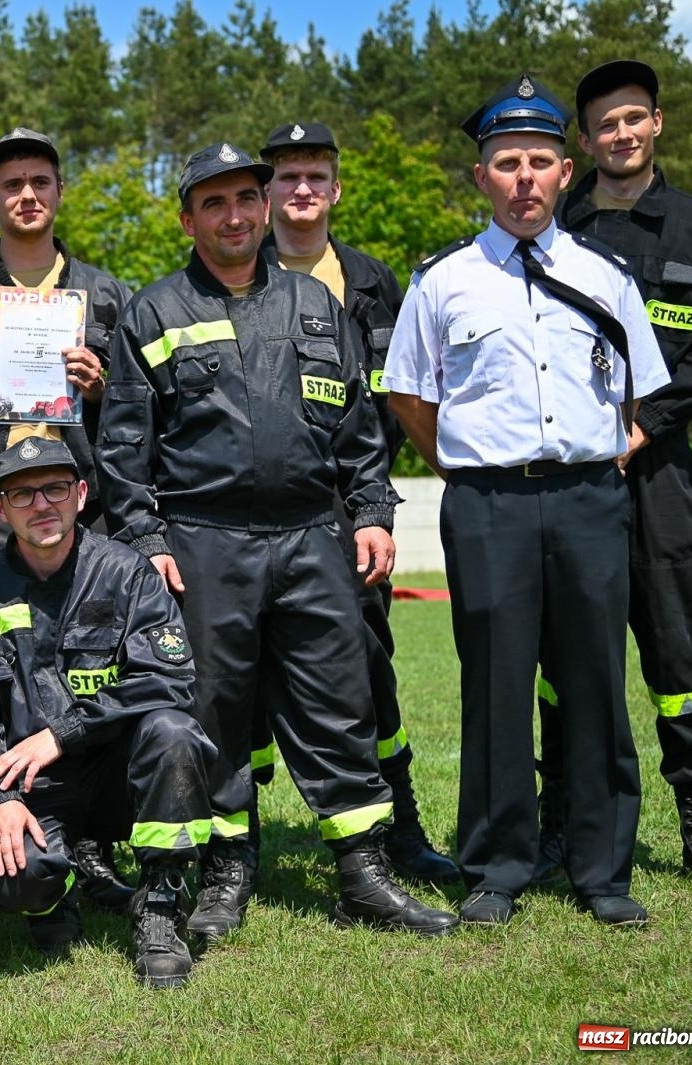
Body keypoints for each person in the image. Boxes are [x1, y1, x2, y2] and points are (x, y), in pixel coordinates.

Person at [97, 142, 457, 942]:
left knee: (340, 702)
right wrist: (146, 537)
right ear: (187, 219)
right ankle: (227, 869)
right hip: (204, 542)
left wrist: (372, 510)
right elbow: (122, 447)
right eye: (213, 203)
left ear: (264, 208)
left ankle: (363, 871)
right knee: (215, 711)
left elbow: (359, 427)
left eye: (244, 200)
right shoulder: (154, 312)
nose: (233, 216)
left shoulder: (315, 303)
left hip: (313, 537)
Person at [383, 74, 671, 927]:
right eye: (506, 163)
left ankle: (601, 867)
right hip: (488, 506)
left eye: (539, 162)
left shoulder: (606, 276)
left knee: (596, 683)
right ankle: (496, 865)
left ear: (565, 172)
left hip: (589, 499)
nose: (523, 179)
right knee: (496, 687)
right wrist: (468, 470)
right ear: (482, 177)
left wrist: (594, 455)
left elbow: (637, 393)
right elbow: (410, 395)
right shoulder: (443, 280)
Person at [0, 128, 136, 919]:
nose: (27, 196)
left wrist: (104, 387)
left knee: (87, 669)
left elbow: (140, 417)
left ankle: (88, 840)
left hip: (78, 511)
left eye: (40, 181)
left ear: (59, 191)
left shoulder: (108, 297)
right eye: (12, 184)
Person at [540, 59, 692, 889]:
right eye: (604, 124)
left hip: (659, 475)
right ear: (585, 143)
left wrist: (643, 424)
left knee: (676, 650)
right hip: (569, 478)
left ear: (656, 123)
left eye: (634, 118)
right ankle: (559, 821)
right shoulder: (556, 223)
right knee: (564, 657)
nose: (620, 133)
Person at [0, 436, 226, 988]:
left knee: (174, 732)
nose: (42, 504)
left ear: (81, 494)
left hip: (120, 774)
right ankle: (55, 895)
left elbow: (168, 679)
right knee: (15, 876)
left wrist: (64, 733)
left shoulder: (127, 572)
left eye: (55, 489)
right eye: (22, 495)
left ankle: (160, 906)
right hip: (31, 782)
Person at [255, 121, 457, 884]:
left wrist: (370, 501)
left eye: (316, 175)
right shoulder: (233, 271)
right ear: (267, 193)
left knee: (369, 669)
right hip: (255, 515)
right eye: (288, 176)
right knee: (244, 678)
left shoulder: (375, 282)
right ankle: (234, 845)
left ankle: (399, 828)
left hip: (352, 509)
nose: (302, 188)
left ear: (336, 189)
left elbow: (404, 393)